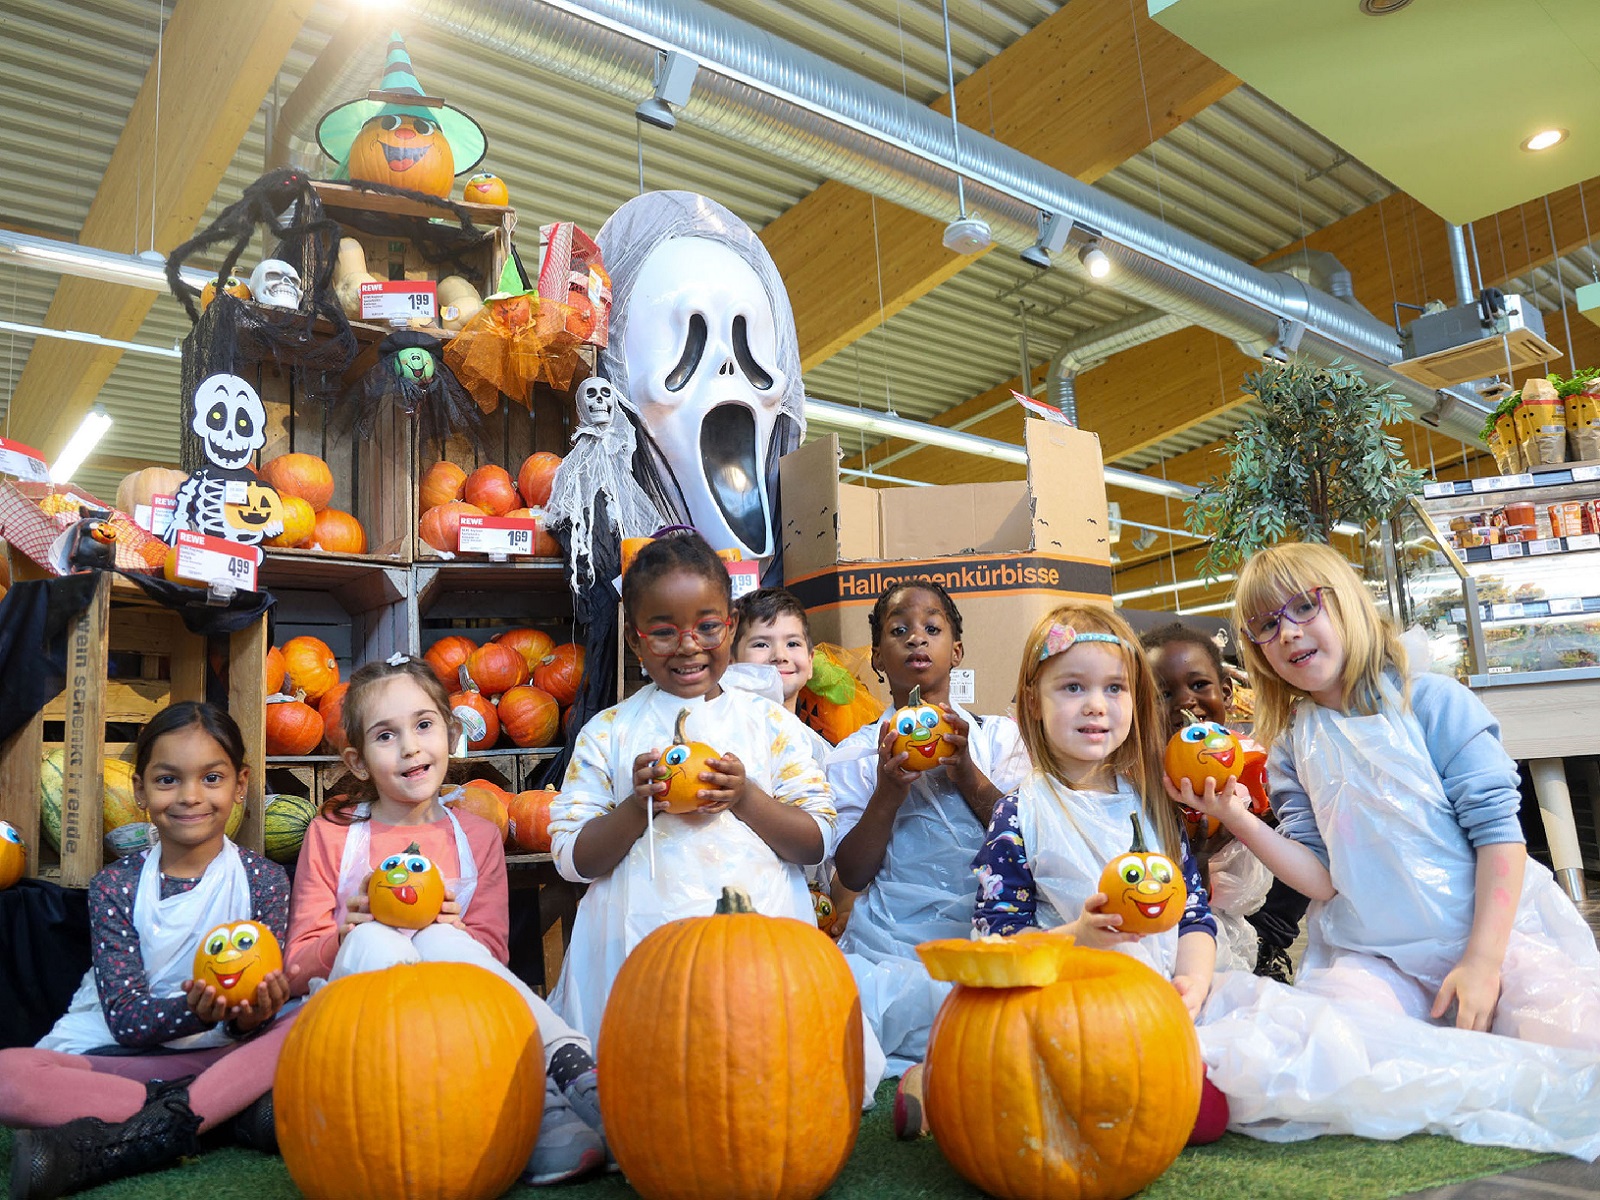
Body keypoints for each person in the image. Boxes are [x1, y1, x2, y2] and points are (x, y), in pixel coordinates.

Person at [1189, 541, 1600, 1157]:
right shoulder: (1291, 751)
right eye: (1267, 625)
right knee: (1328, 1058)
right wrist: (1235, 818)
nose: (1289, 632)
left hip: (1495, 936)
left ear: (1348, 602)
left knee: (1575, 1049)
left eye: (1304, 607)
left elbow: (1500, 839)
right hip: (1374, 957)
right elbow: (1323, 881)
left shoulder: (1432, 703)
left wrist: (1484, 965)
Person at [904, 604, 1227, 1144]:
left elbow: (1194, 914)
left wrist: (1193, 984)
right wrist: (1076, 936)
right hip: (1066, 1013)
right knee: (1039, 1094)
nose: (1096, 707)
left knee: (1211, 1109)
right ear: (1034, 700)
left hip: (1164, 1005)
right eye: (1073, 688)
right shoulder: (1021, 814)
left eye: (1115, 689)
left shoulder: (1153, 805)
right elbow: (996, 940)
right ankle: (931, 1083)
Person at [283, 657, 607, 1186]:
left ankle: (555, 1078)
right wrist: (343, 936)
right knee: (372, 938)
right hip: (364, 1043)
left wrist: (456, 933)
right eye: (386, 735)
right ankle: (517, 1102)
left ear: (452, 735)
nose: (410, 746)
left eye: (424, 725)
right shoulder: (333, 834)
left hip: (456, 1033)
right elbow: (296, 967)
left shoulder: (478, 837)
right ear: (358, 761)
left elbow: (491, 960)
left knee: (439, 935)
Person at [546, 534, 837, 1044]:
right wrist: (638, 808)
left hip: (757, 950)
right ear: (635, 641)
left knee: (758, 1062)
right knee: (650, 1067)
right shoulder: (608, 733)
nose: (687, 645)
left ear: (729, 628)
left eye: (707, 627)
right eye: (663, 632)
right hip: (634, 954)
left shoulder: (772, 726)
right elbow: (574, 860)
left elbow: (816, 843)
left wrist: (747, 798)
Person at [0, 703, 294, 1199]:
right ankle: (223, 1118)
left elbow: (256, 1015)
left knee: (306, 1021)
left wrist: (250, 1017)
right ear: (140, 789)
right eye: (167, 780)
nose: (190, 797)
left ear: (240, 784)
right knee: (8, 1077)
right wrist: (200, 1013)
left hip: (225, 1052)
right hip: (122, 1056)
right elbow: (127, 1020)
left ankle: (140, 1131)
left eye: (212, 778)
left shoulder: (264, 881)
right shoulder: (115, 885)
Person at [828, 579, 1030, 1082]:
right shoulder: (855, 754)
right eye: (899, 631)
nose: (917, 639)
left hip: (988, 925)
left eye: (932, 629)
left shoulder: (999, 740)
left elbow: (1030, 840)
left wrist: (966, 773)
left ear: (956, 650)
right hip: (892, 938)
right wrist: (887, 792)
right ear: (877, 656)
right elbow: (851, 874)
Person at [1142, 622, 1308, 980]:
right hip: (1174, 931)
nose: (1186, 701)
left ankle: (1270, 947)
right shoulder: (1143, 784)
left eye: (1199, 685)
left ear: (1228, 693)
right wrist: (1197, 861)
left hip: (1248, 918)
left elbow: (1266, 884)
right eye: (1162, 694)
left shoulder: (1253, 763)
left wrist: (1251, 826)